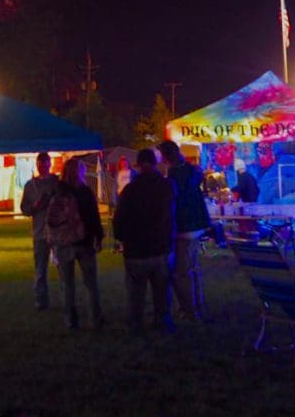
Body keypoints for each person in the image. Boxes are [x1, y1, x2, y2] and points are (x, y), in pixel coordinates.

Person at [113, 147, 176, 334]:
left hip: (136, 250)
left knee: (136, 292)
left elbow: (119, 219)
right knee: (162, 290)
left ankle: (136, 323)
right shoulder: (167, 186)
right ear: (155, 164)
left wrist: (123, 239)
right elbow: (172, 215)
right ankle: (163, 321)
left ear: (138, 165)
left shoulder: (130, 190)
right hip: (160, 248)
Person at [51, 156, 105, 329]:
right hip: (85, 241)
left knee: (67, 285)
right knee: (91, 284)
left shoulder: (58, 192)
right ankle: (95, 319)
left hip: (64, 242)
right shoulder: (85, 192)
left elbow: (52, 219)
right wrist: (99, 237)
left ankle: (70, 320)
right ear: (81, 172)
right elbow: (94, 217)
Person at [160, 140, 210, 321]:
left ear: (166, 157)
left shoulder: (174, 176)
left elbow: (175, 202)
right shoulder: (191, 169)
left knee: (181, 272)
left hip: (184, 227)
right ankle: (198, 304)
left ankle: (190, 310)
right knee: (192, 268)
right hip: (197, 225)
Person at [19, 151, 60, 310]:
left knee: (62, 267)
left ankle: (66, 297)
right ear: (37, 165)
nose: (43, 167)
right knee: (40, 269)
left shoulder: (56, 183)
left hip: (57, 231)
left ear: (50, 164)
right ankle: (41, 301)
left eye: (46, 163)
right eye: (40, 164)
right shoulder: (31, 185)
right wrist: (34, 206)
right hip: (39, 232)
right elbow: (24, 208)